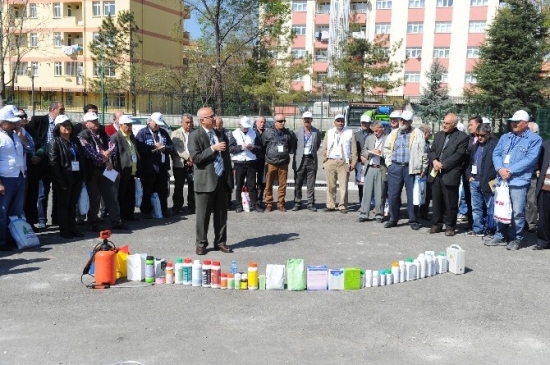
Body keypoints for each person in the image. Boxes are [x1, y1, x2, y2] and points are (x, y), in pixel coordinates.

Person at [485, 110, 542, 250]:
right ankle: (500, 236)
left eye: (517, 122)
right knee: (500, 207)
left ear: (526, 123)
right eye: (512, 122)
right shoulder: (506, 137)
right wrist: (500, 169)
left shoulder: (534, 139)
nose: (513, 124)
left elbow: (530, 159)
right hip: (502, 179)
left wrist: (509, 170)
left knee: (517, 212)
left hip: (519, 181)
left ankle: (517, 238)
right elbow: (496, 153)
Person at [188, 107, 234, 255]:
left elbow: (226, 157)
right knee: (203, 216)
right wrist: (213, 148)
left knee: (221, 215)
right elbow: (196, 158)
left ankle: (220, 242)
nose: (214, 118)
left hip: (221, 179)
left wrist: (229, 178)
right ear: (202, 120)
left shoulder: (220, 134)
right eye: (211, 116)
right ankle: (201, 244)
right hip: (205, 181)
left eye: (214, 115)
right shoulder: (195, 135)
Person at [78, 111, 129, 232]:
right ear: (86, 123)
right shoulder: (82, 136)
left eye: (96, 120)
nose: (96, 123)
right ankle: (93, 222)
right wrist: (104, 158)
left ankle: (116, 221)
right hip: (92, 170)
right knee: (94, 197)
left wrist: (107, 152)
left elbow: (112, 145)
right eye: (93, 121)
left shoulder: (102, 132)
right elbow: (89, 152)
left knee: (110, 195)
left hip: (104, 169)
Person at [382, 110, 426, 230]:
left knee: (412, 195)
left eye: (405, 120)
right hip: (395, 167)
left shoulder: (417, 133)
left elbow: (423, 152)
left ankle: (413, 219)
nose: (402, 122)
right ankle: (393, 219)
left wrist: (423, 168)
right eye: (401, 120)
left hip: (410, 168)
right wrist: (389, 163)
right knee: (393, 194)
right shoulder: (394, 133)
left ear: (411, 121)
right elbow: (386, 149)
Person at [427, 113, 469, 236]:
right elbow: (432, 150)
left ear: (454, 124)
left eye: (447, 123)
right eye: (443, 122)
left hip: (450, 173)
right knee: (436, 200)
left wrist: (443, 164)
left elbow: (459, 155)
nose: (444, 125)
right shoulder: (438, 135)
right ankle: (437, 224)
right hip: (436, 172)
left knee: (450, 201)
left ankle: (450, 225)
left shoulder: (462, 137)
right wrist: (434, 161)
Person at [27, 101, 65, 229]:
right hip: (43, 162)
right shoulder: (38, 120)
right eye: (61, 109)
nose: (63, 111)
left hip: (59, 162)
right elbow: (30, 135)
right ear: (54, 109)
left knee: (59, 191)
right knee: (43, 192)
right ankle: (42, 219)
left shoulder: (62, 124)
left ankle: (57, 218)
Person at [0, 106, 33, 251]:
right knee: (2, 212)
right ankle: (2, 241)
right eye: (11, 122)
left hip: (19, 176)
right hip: (5, 178)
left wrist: (21, 136)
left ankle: (13, 237)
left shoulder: (16, 134)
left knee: (16, 212)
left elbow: (30, 148)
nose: (15, 124)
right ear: (2, 122)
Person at [48, 115, 86, 239]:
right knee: (63, 206)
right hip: (63, 179)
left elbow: (81, 157)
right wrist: (60, 181)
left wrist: (82, 176)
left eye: (69, 124)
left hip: (76, 177)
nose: (67, 127)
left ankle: (72, 227)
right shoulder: (54, 142)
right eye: (64, 125)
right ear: (58, 128)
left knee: (73, 205)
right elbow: (53, 164)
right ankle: (64, 230)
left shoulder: (75, 140)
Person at [135, 112, 174, 218]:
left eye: (159, 124)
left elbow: (171, 147)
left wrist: (164, 148)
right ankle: (146, 210)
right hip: (149, 168)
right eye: (156, 123)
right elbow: (139, 149)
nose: (157, 126)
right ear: (150, 121)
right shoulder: (142, 133)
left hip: (162, 167)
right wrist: (153, 147)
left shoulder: (164, 133)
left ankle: (163, 209)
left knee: (162, 190)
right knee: (148, 190)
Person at [464, 124, 498, 237]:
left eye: (482, 135)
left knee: (491, 207)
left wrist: (492, 177)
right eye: (477, 135)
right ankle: (478, 228)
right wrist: (469, 175)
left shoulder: (494, 145)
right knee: (476, 207)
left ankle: (491, 229)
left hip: (490, 181)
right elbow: (470, 162)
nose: (479, 137)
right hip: (475, 181)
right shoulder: (475, 146)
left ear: (488, 134)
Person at [322, 114, 358, 213]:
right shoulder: (329, 132)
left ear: (344, 122)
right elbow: (324, 147)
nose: (340, 123)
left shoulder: (350, 132)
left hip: (343, 162)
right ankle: (330, 205)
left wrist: (353, 162)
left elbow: (353, 149)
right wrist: (325, 160)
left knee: (343, 186)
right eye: (338, 121)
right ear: (334, 122)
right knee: (331, 186)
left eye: (342, 121)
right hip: (331, 161)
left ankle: (342, 206)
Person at [262, 114, 295, 212]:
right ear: (275, 122)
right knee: (268, 184)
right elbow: (263, 145)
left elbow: (290, 145)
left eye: (284, 121)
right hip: (271, 162)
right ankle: (268, 203)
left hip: (283, 163)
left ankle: (281, 203)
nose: (283, 123)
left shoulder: (288, 133)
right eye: (280, 121)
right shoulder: (267, 133)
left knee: (282, 185)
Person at [111, 115, 141, 222]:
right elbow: (113, 157)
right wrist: (115, 172)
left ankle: (130, 214)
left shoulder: (131, 136)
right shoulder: (115, 137)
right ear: (120, 125)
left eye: (130, 125)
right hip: (121, 171)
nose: (129, 127)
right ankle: (121, 216)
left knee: (130, 194)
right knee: (121, 195)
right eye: (127, 125)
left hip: (132, 170)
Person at [229, 116, 262, 213]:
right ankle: (239, 205)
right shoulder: (234, 134)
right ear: (240, 125)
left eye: (247, 127)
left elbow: (260, 148)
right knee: (239, 185)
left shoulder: (254, 133)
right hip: (239, 163)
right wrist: (241, 147)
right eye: (244, 127)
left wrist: (253, 148)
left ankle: (254, 204)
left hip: (251, 162)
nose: (246, 129)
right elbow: (231, 149)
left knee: (252, 185)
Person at [358, 120, 387, 223]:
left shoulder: (387, 139)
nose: (375, 133)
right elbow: (363, 151)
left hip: (381, 168)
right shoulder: (370, 138)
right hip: (370, 167)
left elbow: (390, 152)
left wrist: (381, 153)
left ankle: (379, 215)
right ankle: (364, 214)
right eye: (374, 131)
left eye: (377, 131)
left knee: (380, 193)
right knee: (366, 192)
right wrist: (369, 153)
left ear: (382, 129)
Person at [292, 111, 322, 212]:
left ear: (311, 120)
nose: (307, 121)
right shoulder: (296, 132)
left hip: (311, 159)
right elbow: (294, 147)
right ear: (302, 120)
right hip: (300, 159)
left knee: (311, 184)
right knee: (298, 183)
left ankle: (310, 203)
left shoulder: (316, 132)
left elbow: (317, 146)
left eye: (308, 119)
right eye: (305, 119)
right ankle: (297, 202)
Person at [171, 114, 195, 214]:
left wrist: (193, 159)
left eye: (191, 122)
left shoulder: (195, 133)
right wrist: (188, 157)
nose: (189, 125)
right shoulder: (175, 134)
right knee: (179, 186)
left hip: (193, 163)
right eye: (187, 122)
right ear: (181, 122)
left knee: (192, 185)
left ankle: (192, 205)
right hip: (180, 164)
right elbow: (177, 149)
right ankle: (177, 206)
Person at [533, 139, 550, 250]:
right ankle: (544, 241)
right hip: (545, 186)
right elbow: (537, 163)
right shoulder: (545, 145)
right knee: (544, 217)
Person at [524, 122, 540, 232]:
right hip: (522, 175)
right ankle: (522, 223)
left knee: (531, 201)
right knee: (522, 201)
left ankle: (531, 224)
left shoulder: (540, 145)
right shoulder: (523, 143)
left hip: (533, 176)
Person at [354, 114, 372, 203]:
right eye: (363, 123)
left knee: (371, 183)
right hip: (359, 163)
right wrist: (359, 158)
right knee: (360, 184)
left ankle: (370, 203)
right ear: (360, 123)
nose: (365, 125)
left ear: (369, 123)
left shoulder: (374, 134)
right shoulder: (356, 135)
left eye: (366, 123)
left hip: (371, 162)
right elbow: (354, 149)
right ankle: (361, 202)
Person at [417, 124, 432, 220]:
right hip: (420, 172)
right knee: (418, 193)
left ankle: (424, 212)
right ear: (424, 133)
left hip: (426, 173)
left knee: (425, 194)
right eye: (429, 134)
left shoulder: (428, 143)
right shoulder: (419, 143)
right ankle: (418, 212)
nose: (430, 136)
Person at [253, 117, 267, 209]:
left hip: (263, 160)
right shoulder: (252, 132)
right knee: (251, 181)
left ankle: (259, 200)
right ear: (256, 123)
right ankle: (252, 200)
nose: (262, 124)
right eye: (261, 122)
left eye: (264, 122)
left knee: (262, 182)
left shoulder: (267, 132)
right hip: (253, 160)